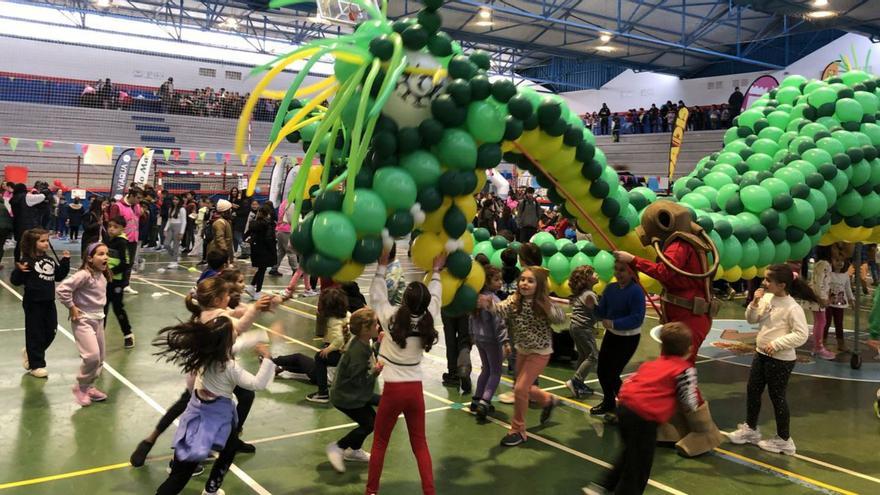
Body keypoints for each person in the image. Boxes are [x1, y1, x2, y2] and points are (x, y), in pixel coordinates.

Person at [131, 275, 272, 469]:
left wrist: (267, 304)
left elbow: (237, 314)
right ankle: (166, 449)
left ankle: (231, 438)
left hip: (219, 372)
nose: (236, 290)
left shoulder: (215, 309)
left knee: (246, 396)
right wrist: (257, 317)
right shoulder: (215, 317)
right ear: (218, 297)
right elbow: (238, 327)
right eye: (230, 290)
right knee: (190, 411)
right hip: (204, 377)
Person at [152, 312, 277, 494]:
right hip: (216, 421)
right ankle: (210, 488)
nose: (237, 331)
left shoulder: (206, 354)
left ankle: (207, 485)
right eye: (233, 330)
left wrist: (262, 335)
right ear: (227, 340)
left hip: (196, 413)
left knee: (228, 447)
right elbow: (258, 384)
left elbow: (239, 343)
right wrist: (267, 357)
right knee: (182, 477)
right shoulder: (229, 367)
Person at [583, 322, 700, 495]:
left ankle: (603, 485)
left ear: (662, 346)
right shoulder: (684, 370)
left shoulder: (651, 364)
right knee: (639, 467)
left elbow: (633, 382)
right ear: (689, 349)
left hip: (624, 408)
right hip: (643, 417)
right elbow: (690, 402)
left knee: (630, 452)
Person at [366, 251, 445, 495]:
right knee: (420, 444)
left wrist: (381, 266)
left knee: (380, 443)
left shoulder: (391, 319)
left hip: (392, 390)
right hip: (415, 391)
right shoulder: (429, 319)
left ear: (405, 300)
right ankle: (429, 491)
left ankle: (371, 492)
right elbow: (436, 295)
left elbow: (377, 296)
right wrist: (437, 271)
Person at [728, 264, 813, 455]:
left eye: (768, 280)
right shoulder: (766, 298)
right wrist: (754, 304)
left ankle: (784, 440)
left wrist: (776, 344)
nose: (764, 283)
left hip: (781, 360)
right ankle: (750, 429)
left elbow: (801, 334)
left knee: (777, 397)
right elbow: (752, 319)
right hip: (761, 354)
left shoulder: (792, 308)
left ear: (782, 285)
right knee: (753, 390)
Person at [478, 266, 566, 447]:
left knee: (520, 389)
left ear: (539, 285)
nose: (524, 283)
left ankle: (518, 430)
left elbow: (560, 319)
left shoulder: (542, 302)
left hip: (540, 352)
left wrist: (549, 309)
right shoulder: (514, 300)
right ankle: (548, 400)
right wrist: (489, 304)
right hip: (523, 350)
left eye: (530, 280)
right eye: (522, 280)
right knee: (521, 386)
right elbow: (500, 309)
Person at [326, 307, 382, 473]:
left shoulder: (362, 342)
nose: (378, 327)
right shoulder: (358, 352)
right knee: (371, 423)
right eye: (375, 325)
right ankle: (338, 447)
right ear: (365, 329)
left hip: (352, 392)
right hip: (347, 397)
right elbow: (358, 381)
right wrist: (375, 373)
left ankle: (354, 451)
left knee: (376, 414)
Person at [11, 228, 71, 378]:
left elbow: (58, 276)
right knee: (35, 333)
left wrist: (65, 261)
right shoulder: (27, 261)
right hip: (33, 303)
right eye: (42, 241)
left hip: (49, 301)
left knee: (51, 330)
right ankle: (36, 364)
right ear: (33, 243)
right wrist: (18, 270)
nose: (46, 244)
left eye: (47, 241)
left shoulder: (49, 259)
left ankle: (30, 352)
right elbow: (15, 281)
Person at [57, 242, 111, 406]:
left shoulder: (101, 275)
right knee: (92, 356)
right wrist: (72, 307)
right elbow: (62, 289)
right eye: (100, 254)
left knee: (100, 358)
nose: (105, 257)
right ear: (89, 258)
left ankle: (89, 387)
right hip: (83, 320)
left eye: (106, 253)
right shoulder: (83, 275)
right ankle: (80, 387)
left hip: (98, 319)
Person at [590, 261, 646, 417]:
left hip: (628, 339)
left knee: (613, 374)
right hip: (612, 336)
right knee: (602, 371)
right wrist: (592, 305)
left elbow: (637, 318)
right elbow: (602, 312)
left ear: (631, 273)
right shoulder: (611, 289)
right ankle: (609, 402)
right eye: (616, 269)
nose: (618, 273)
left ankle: (626, 408)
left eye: (622, 270)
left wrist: (614, 323)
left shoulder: (636, 292)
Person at [468, 265, 510, 422]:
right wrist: (505, 341)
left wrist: (472, 335)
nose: (500, 282)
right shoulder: (494, 300)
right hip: (492, 340)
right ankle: (485, 402)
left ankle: (476, 399)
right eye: (496, 279)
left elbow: (471, 318)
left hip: (479, 339)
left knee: (486, 369)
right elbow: (499, 323)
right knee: (495, 371)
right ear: (486, 281)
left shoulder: (476, 298)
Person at [305, 287, 351, 403]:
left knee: (319, 357)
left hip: (344, 355)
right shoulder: (347, 314)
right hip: (350, 352)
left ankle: (323, 393)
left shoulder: (332, 320)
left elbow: (339, 339)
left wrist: (329, 349)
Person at [565, 265, 600, 398]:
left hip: (576, 327)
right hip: (583, 328)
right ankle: (576, 381)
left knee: (583, 355)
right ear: (587, 280)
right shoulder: (590, 295)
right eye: (592, 273)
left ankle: (579, 383)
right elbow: (598, 314)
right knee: (593, 356)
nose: (596, 275)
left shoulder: (583, 294)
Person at [105, 216, 135, 348]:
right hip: (105, 281)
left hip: (116, 282)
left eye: (115, 227)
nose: (111, 229)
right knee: (102, 309)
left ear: (122, 229)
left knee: (118, 309)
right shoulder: (107, 240)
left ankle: (128, 334)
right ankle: (98, 337)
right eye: (110, 226)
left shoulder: (122, 243)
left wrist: (112, 272)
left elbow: (126, 263)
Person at [109, 186, 142, 294]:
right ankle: (112, 282)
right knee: (118, 263)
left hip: (133, 238)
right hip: (121, 240)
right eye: (137, 197)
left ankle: (126, 284)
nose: (139, 200)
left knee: (129, 263)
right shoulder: (117, 206)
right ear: (131, 195)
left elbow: (139, 218)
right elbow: (112, 223)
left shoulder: (136, 206)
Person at [243, 203, 277, 298]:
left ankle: (252, 286)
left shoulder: (254, 223)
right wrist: (273, 250)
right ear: (268, 214)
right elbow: (269, 239)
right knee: (262, 270)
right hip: (265, 250)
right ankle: (258, 292)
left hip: (255, 249)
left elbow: (245, 235)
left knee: (261, 269)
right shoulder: (268, 224)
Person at [807, 247, 835, 360]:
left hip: (818, 297)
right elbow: (819, 283)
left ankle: (817, 347)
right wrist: (821, 299)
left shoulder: (821, 263)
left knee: (819, 321)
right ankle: (818, 348)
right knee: (821, 321)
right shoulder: (824, 264)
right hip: (818, 298)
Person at [824, 256, 854, 352]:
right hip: (828, 303)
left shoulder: (845, 275)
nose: (840, 263)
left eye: (842, 261)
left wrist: (851, 299)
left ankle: (841, 344)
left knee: (839, 324)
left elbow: (848, 288)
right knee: (826, 323)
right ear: (831, 261)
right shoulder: (829, 273)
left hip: (840, 304)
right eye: (837, 260)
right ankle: (823, 342)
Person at [269, 200, 295, 277]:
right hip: (287, 229)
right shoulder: (291, 204)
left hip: (279, 229)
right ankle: (296, 270)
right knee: (291, 251)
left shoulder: (283, 203)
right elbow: (291, 218)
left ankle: (274, 268)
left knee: (281, 251)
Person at [208, 199, 235, 265]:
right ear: (224, 211)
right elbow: (220, 238)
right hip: (218, 254)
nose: (231, 211)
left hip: (223, 253)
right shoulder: (220, 222)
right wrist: (225, 252)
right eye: (229, 210)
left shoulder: (225, 221)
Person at [163, 195, 185, 269]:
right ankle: (175, 256)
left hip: (178, 227)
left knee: (176, 245)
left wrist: (182, 232)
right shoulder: (171, 208)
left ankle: (174, 261)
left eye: (177, 199)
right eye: (174, 199)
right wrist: (165, 229)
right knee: (166, 244)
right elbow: (169, 220)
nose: (174, 201)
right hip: (170, 227)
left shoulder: (182, 209)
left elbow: (184, 222)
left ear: (179, 201)